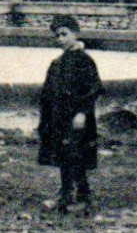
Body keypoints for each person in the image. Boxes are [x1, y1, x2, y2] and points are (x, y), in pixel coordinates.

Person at [37, 15, 103, 215]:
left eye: (65, 34)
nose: (60, 39)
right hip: (59, 118)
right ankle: (66, 193)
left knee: (77, 155)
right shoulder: (58, 63)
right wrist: (45, 117)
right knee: (63, 156)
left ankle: (82, 195)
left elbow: (94, 88)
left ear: (75, 34)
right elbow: (48, 91)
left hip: (77, 119)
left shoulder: (84, 61)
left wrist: (82, 112)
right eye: (57, 36)